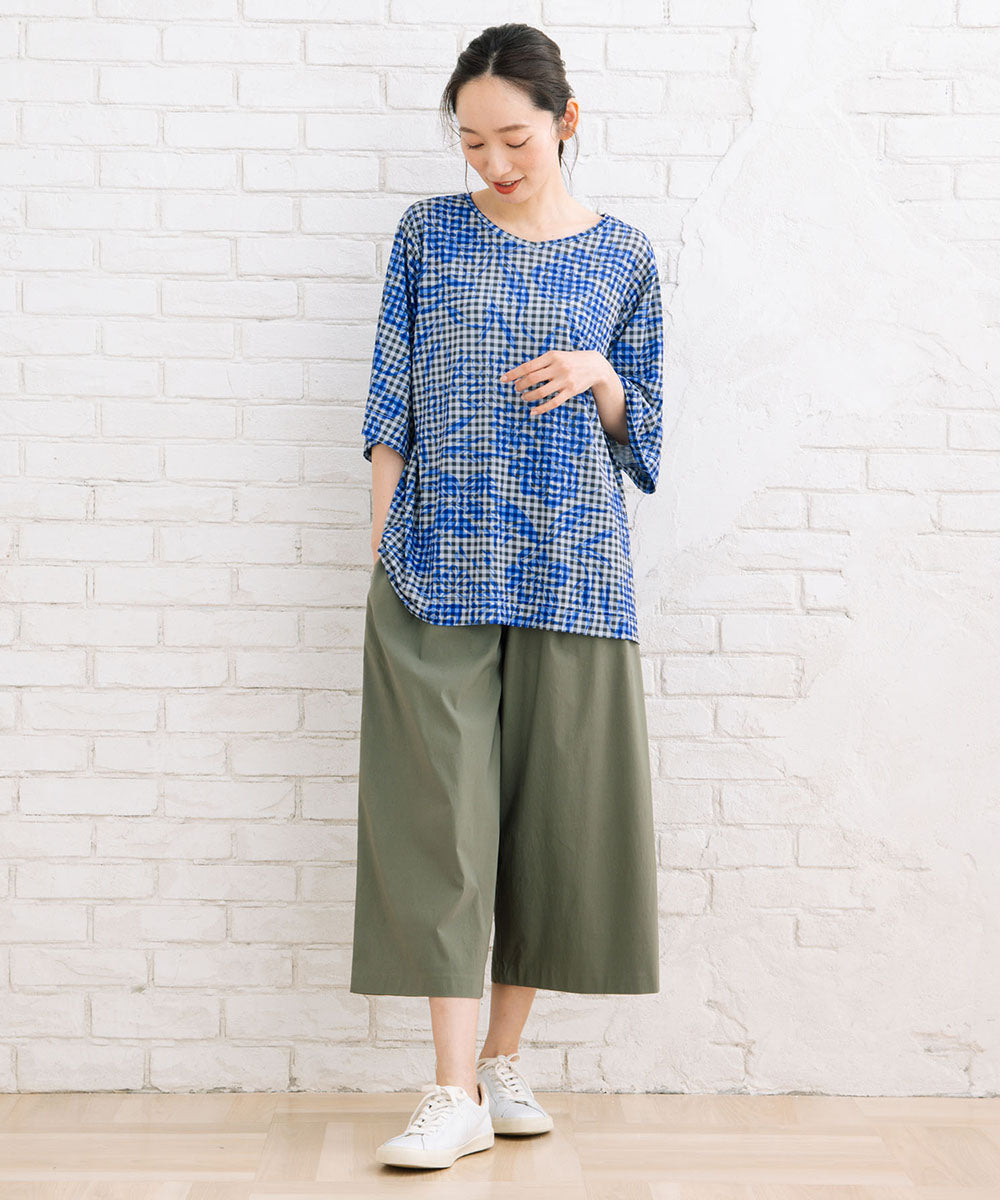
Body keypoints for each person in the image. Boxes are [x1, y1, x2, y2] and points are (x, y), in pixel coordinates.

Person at [350, 22, 664, 1172]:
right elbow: (389, 397)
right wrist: (381, 541)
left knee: (551, 824)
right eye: (472, 142)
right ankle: (446, 1093)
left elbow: (645, 433)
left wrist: (602, 374)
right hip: (435, 566)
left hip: (574, 571)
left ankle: (498, 1061)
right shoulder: (427, 234)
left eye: (514, 140)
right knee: (438, 824)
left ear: (565, 122)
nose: (492, 162)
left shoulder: (623, 255)